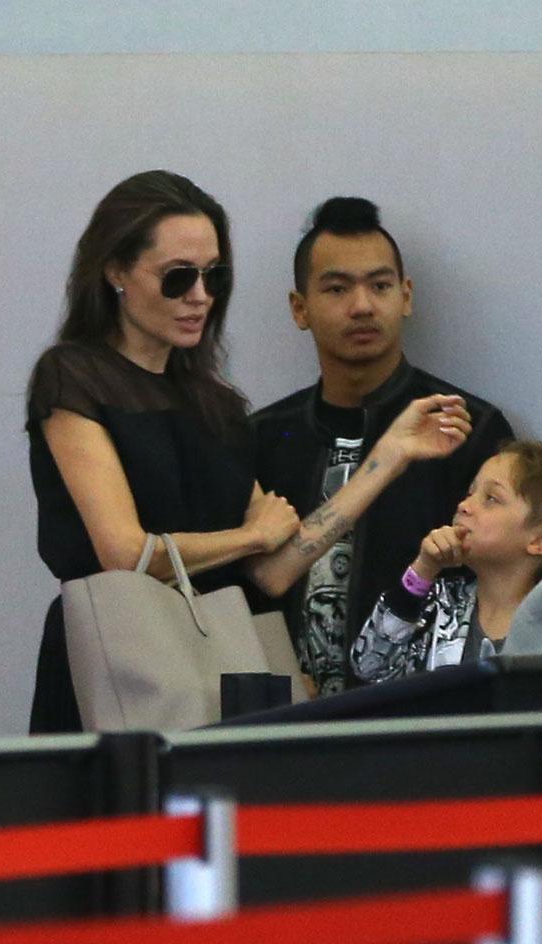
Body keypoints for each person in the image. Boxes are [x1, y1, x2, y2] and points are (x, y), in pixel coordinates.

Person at [28, 172, 472, 731]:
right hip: (117, 664)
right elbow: (124, 552)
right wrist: (247, 537)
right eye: (177, 278)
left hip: (217, 664)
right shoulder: (73, 378)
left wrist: (390, 454)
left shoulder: (215, 405)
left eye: (214, 276)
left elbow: (273, 571)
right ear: (115, 271)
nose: (200, 297)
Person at [252, 197, 514, 696]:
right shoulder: (264, 437)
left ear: (406, 295)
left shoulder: (466, 429)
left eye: (380, 285)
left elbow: (509, 580)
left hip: (418, 716)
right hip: (280, 720)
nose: (363, 306)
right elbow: (242, 586)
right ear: (299, 308)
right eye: (336, 288)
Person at [351, 439, 542, 681]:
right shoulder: (436, 603)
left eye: (491, 499)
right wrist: (422, 570)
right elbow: (368, 665)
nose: (464, 506)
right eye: (470, 493)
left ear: (540, 541)